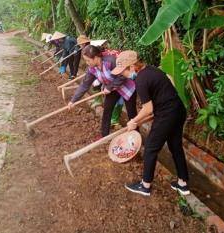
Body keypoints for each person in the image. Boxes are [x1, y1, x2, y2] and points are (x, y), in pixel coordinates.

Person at [111, 50, 190, 197]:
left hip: (167, 115)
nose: (123, 75)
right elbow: (169, 77)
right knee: (176, 147)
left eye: (124, 72)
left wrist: (134, 121)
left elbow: (148, 109)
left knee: (151, 149)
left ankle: (145, 186)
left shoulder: (141, 80)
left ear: (132, 67)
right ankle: (183, 184)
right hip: (179, 110)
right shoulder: (152, 69)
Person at [68, 45, 137, 138]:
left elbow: (123, 75)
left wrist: (110, 87)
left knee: (131, 112)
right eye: (86, 61)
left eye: (88, 60)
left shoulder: (111, 61)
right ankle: (104, 136)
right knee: (107, 110)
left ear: (96, 58)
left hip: (126, 86)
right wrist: (73, 100)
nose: (87, 63)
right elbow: (84, 84)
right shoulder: (92, 69)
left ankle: (136, 135)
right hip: (112, 89)